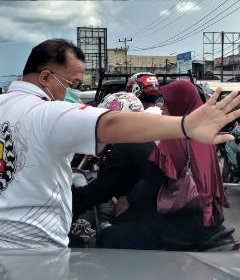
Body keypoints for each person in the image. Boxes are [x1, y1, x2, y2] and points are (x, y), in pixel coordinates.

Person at [0, 39, 240, 250]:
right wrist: (185, 125)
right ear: (45, 77)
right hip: (29, 250)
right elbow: (112, 123)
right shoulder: (47, 112)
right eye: (73, 84)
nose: (75, 91)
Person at [96, 80, 229, 250]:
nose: (163, 107)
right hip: (210, 219)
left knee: (108, 237)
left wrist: (128, 200)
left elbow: (153, 179)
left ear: (180, 103)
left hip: (184, 225)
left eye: (168, 103)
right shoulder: (203, 135)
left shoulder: (176, 138)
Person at [72, 92, 154, 217]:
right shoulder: (143, 138)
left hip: (140, 212)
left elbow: (103, 189)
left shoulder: (125, 146)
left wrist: (74, 197)